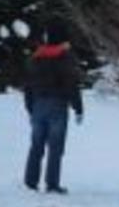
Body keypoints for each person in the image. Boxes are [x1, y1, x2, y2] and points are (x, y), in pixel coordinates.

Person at [23, 20, 84, 194]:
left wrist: (30, 107)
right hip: (58, 105)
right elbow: (72, 84)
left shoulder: (36, 57)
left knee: (36, 145)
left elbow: (28, 85)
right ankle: (52, 184)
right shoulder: (66, 57)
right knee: (55, 148)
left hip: (38, 105)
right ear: (62, 38)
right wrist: (78, 108)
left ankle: (30, 182)